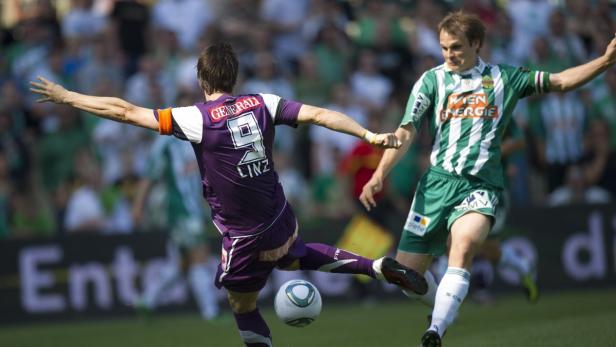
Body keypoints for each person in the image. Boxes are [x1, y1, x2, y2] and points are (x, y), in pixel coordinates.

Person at [30, 42, 428, 347]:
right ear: (233, 77)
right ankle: (376, 267)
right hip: (278, 214)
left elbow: (124, 111)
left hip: (243, 235)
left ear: (202, 80)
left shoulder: (195, 118)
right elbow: (321, 115)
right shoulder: (263, 102)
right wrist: (369, 134)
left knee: (242, 305)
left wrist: (69, 97)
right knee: (294, 256)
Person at [359, 11, 616, 347]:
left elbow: (561, 81)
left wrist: (606, 61)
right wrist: (380, 174)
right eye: (444, 48)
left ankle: (435, 329)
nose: (449, 55)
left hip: (480, 186)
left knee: (463, 246)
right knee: (407, 278)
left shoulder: (504, 78)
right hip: (435, 185)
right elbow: (405, 133)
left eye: (456, 47)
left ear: (477, 44)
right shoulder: (430, 80)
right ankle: (446, 307)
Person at [131, 134, 220, 321]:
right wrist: (138, 205)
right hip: (180, 210)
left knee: (182, 264)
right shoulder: (166, 142)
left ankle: (147, 300)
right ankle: (210, 313)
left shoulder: (198, 136)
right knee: (199, 255)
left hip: (194, 209)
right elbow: (149, 174)